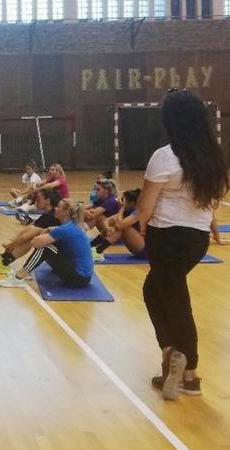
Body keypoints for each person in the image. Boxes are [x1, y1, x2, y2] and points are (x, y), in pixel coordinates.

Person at [139, 90, 229, 400]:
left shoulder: (165, 156)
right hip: (196, 240)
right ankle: (171, 353)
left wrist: (140, 226)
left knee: (175, 300)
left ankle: (188, 372)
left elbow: (145, 207)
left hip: (166, 237)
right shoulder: (213, 157)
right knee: (155, 290)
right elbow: (211, 203)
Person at [0, 199, 93, 289]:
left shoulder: (64, 229)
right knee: (49, 242)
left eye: (58, 207)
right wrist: (47, 230)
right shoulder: (71, 225)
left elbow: (35, 243)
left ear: (65, 212)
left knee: (45, 247)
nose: (55, 209)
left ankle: (19, 277)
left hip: (79, 278)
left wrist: (43, 231)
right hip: (82, 277)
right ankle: (26, 272)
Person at [0, 189, 61, 274]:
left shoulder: (51, 217)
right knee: (29, 233)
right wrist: (12, 240)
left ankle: (4, 264)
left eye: (39, 198)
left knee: (29, 239)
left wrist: (12, 244)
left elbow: (27, 236)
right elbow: (29, 228)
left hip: (59, 255)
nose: (36, 201)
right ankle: (3, 258)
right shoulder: (48, 214)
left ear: (48, 201)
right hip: (51, 251)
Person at [90, 188, 145, 261]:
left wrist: (121, 209)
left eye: (123, 200)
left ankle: (98, 251)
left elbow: (119, 225)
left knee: (121, 226)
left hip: (145, 250)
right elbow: (107, 220)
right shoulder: (128, 211)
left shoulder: (138, 212)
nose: (121, 202)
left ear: (132, 203)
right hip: (136, 246)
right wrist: (107, 228)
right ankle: (90, 246)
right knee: (116, 223)